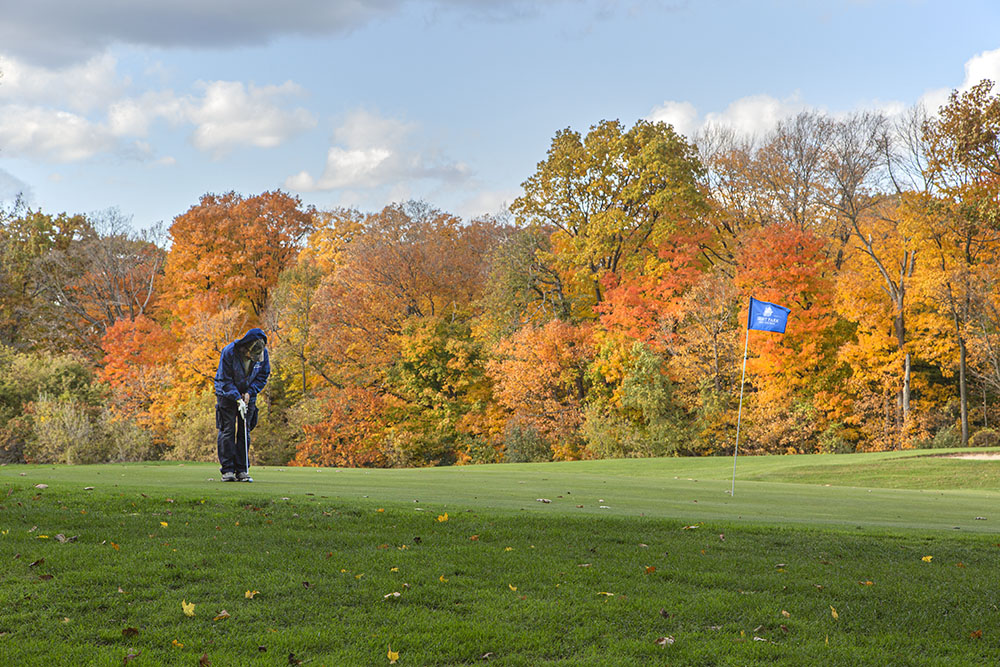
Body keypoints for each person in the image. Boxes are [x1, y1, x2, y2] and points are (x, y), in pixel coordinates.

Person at [214, 328, 270, 482]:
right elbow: (224, 379)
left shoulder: (263, 354)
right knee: (228, 430)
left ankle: (242, 470)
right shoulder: (229, 352)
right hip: (226, 394)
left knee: (244, 431)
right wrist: (237, 398)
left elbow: (263, 376)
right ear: (245, 347)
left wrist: (250, 393)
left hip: (248, 396)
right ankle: (228, 470)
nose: (251, 358)